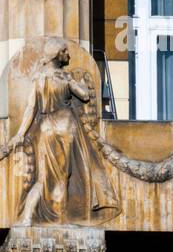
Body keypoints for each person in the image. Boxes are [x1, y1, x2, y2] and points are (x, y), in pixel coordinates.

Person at [13, 38, 119, 226]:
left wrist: (20, 133)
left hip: (45, 127)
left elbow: (31, 108)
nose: (68, 55)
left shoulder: (39, 78)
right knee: (63, 176)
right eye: (64, 52)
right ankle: (60, 220)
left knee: (44, 177)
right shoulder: (65, 77)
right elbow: (84, 95)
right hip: (65, 125)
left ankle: (28, 217)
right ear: (56, 54)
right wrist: (81, 83)